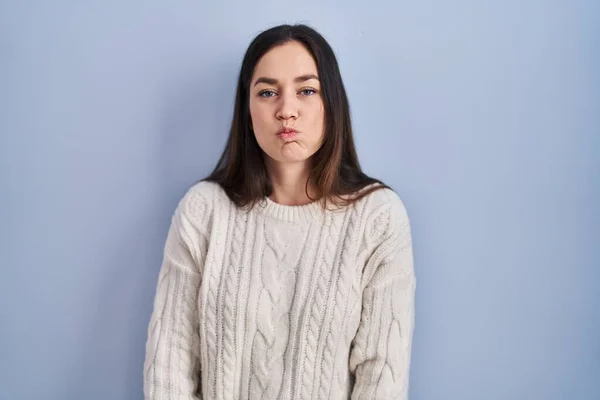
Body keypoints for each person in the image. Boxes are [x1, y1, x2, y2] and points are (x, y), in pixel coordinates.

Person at [143, 23, 416, 400]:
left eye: (306, 90)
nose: (286, 110)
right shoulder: (204, 211)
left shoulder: (377, 217)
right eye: (268, 92)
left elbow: (381, 377)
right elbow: (168, 367)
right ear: (247, 108)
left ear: (330, 103)